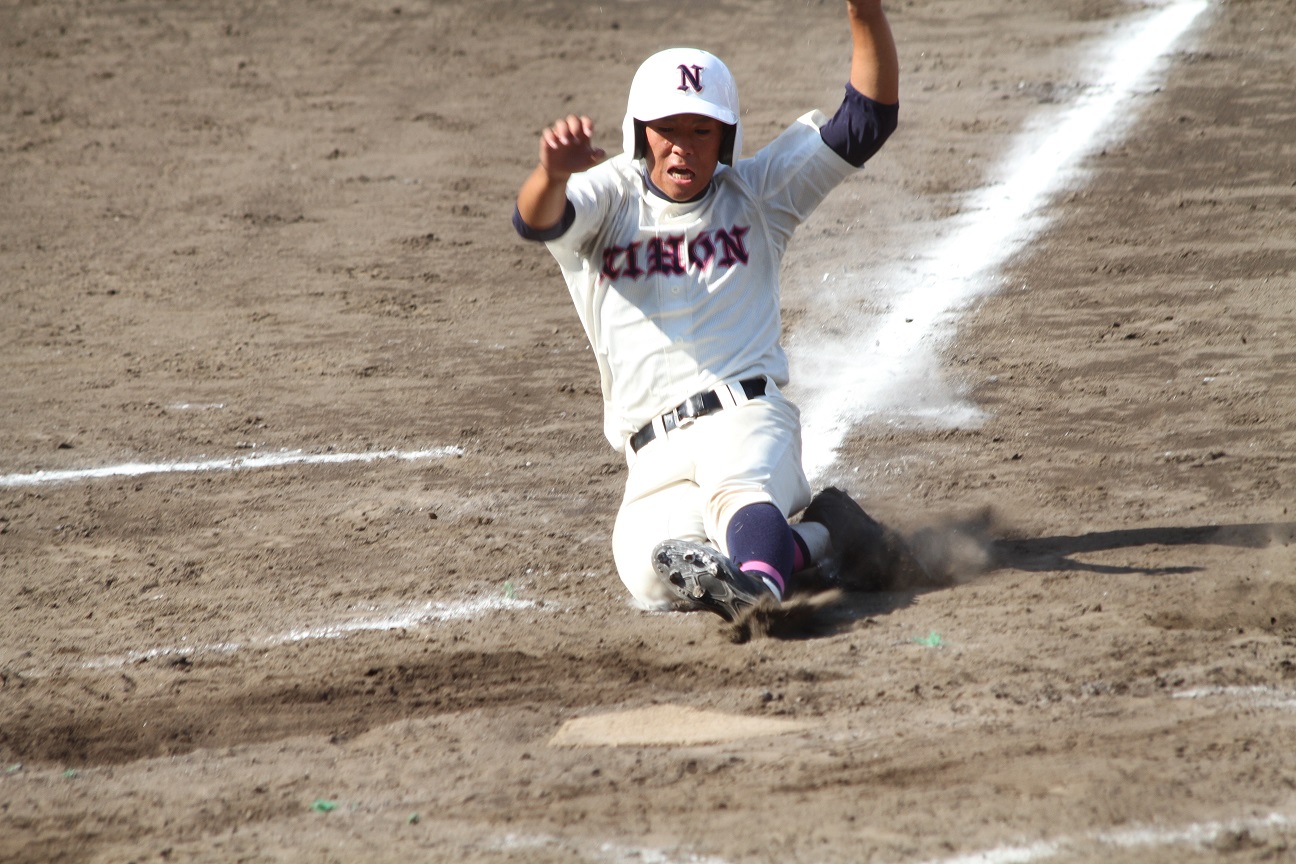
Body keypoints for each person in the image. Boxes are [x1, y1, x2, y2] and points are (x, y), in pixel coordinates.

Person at [513, 1, 902, 622]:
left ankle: (762, 594)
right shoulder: (607, 195)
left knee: (737, 491)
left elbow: (866, 121)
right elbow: (538, 219)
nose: (682, 149)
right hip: (653, 453)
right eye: (668, 130)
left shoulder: (759, 192)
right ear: (641, 132)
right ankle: (825, 536)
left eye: (701, 131)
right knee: (652, 572)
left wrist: (864, 12)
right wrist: (549, 172)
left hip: (745, 415)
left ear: (727, 137)